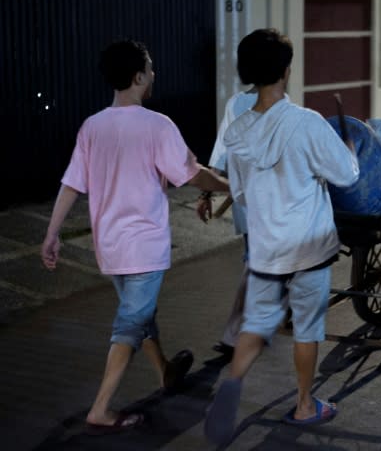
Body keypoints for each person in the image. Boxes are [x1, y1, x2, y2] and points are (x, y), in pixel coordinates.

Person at [40, 39, 230, 433]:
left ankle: (165, 371)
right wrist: (229, 185)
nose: (155, 74)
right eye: (151, 68)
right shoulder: (157, 125)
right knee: (130, 323)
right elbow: (191, 174)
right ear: (139, 76)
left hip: (109, 247)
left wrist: (52, 233)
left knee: (140, 314)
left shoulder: (92, 126)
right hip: (144, 245)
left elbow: (71, 184)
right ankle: (101, 409)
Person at [204, 28, 359, 445]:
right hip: (309, 247)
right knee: (307, 327)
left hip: (266, 247)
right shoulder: (306, 123)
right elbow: (346, 175)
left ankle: (233, 379)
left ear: (247, 72)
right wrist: (346, 149)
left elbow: (237, 192)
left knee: (257, 323)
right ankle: (306, 404)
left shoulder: (237, 132)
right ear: (287, 71)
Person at [196, 31, 261, 358]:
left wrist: (206, 193)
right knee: (257, 263)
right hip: (270, 205)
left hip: (249, 204)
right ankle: (236, 332)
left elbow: (220, 154)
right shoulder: (287, 110)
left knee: (257, 261)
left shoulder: (237, 103)